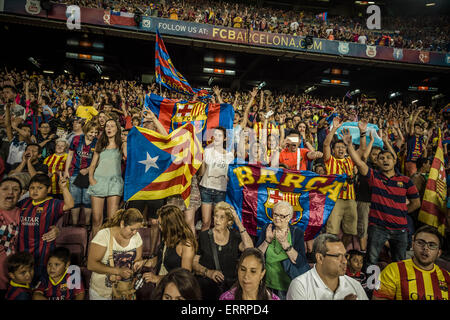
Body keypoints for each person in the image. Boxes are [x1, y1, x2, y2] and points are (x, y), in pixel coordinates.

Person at [340, 128, 421, 266]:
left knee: (399, 263)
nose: (385, 160)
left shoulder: (406, 180)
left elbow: (416, 203)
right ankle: (371, 287)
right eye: (381, 158)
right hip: (378, 228)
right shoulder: (374, 176)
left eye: (388, 157)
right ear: (377, 162)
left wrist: (400, 211)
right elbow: (359, 163)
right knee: (371, 261)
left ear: (394, 161)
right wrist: (348, 146)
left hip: (400, 229)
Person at [17, 173, 73, 281]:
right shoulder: (24, 203)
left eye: (39, 188)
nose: (35, 191)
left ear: (48, 189)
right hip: (23, 252)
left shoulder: (53, 204)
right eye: (32, 188)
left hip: (43, 252)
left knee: (40, 281)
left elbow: (70, 204)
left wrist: (63, 188)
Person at [322, 118, 368, 248]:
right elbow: (326, 144)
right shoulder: (330, 160)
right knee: (332, 231)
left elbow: (362, 149)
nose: (341, 149)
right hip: (334, 199)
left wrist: (362, 132)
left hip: (350, 199)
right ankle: (331, 251)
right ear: (333, 150)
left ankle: (342, 249)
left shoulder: (350, 160)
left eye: (343, 147)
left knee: (350, 230)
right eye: (337, 147)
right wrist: (334, 129)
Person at [193, 201, 253, 300]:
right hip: (205, 288)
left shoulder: (235, 236)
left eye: (222, 217)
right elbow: (194, 263)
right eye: (216, 216)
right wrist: (208, 272)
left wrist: (238, 222)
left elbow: (249, 249)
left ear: (229, 221)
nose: (217, 220)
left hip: (229, 290)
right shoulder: (204, 236)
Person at [373, 226, 450, 300]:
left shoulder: (447, 277)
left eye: (432, 245)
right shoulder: (393, 270)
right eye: (420, 243)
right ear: (413, 245)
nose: (425, 248)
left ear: (439, 252)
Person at [286, 233, 368, 300]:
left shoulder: (355, 285)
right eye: (338, 256)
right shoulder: (300, 286)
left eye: (345, 256)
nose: (344, 261)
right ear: (320, 258)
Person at [87, 208, 144, 300]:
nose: (135, 233)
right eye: (132, 229)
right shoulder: (104, 235)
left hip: (125, 291)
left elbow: (138, 258)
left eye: (137, 229)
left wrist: (137, 265)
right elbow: (91, 265)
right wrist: (118, 271)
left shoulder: (136, 237)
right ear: (122, 224)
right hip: (102, 293)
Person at [256, 201, 310, 299]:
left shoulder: (296, 233)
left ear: (289, 217)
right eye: (275, 214)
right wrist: (267, 241)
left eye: (282, 216)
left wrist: (285, 244)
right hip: (266, 283)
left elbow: (301, 262)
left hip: (287, 285)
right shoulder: (267, 228)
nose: (277, 218)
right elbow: (256, 256)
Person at [88, 119, 126, 237]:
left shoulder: (122, 144)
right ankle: (95, 248)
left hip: (115, 182)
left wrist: (126, 146)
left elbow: (126, 155)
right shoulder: (101, 144)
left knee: (112, 220)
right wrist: (91, 179)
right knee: (96, 220)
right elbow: (93, 165)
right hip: (98, 181)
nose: (109, 128)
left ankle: (110, 250)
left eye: (112, 126)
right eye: (107, 126)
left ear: (117, 129)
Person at [141, 205, 197, 285]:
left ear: (171, 225)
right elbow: (162, 259)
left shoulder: (186, 244)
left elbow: (184, 276)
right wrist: (142, 263)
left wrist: (158, 278)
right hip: (161, 285)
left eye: (161, 224)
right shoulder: (167, 236)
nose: (159, 227)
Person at [198, 127, 234, 231]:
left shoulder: (229, 155)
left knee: (219, 224)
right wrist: (202, 163)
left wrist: (228, 178)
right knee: (206, 223)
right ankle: (203, 247)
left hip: (221, 191)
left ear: (225, 138)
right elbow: (201, 173)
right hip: (206, 188)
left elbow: (230, 176)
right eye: (215, 135)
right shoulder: (207, 151)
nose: (217, 137)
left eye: (220, 135)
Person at [64, 120, 98, 227]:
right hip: (74, 172)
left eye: (96, 132)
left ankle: (87, 224)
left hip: (89, 174)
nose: (93, 134)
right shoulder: (76, 139)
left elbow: (98, 160)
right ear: (86, 130)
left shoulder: (97, 142)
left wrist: (88, 170)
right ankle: (75, 224)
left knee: (87, 200)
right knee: (75, 199)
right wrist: (66, 170)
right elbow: (70, 155)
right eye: (91, 132)